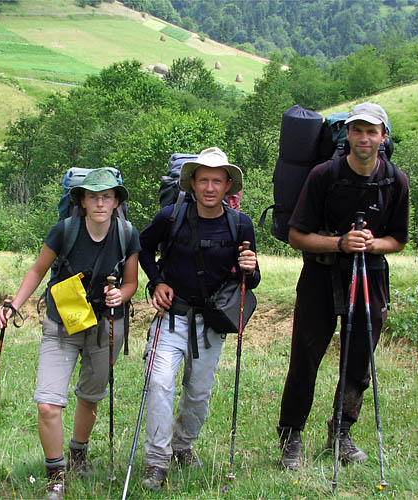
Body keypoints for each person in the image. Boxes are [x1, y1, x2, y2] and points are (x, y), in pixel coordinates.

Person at [277, 102, 410, 470]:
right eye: (358, 130)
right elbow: (296, 235)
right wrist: (339, 243)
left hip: (370, 275)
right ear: (347, 134)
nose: (364, 138)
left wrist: (371, 244)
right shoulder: (323, 175)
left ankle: (341, 433)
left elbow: (398, 239)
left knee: (358, 360)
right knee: (305, 358)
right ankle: (291, 436)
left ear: (384, 136)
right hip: (320, 275)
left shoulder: (395, 181)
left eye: (372, 131)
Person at [0, 168, 140, 500]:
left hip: (106, 325)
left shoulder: (128, 233)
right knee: (48, 404)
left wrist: (123, 295)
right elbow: (37, 270)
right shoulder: (65, 230)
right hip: (62, 321)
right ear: (83, 201)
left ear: (116, 201)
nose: (100, 203)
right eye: (93, 196)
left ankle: (78, 453)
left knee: (90, 397)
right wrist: (13, 304)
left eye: (107, 196)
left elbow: (131, 281)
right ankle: (55, 474)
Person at [138, 147, 259, 490]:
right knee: (159, 384)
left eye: (216, 181)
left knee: (198, 394)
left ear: (227, 186)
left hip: (211, 325)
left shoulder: (240, 224)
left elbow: (251, 277)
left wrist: (252, 268)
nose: (209, 187)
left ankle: (183, 446)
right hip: (171, 318)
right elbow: (142, 248)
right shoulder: (169, 216)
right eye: (203, 180)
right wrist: (156, 281)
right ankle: (156, 462)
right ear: (192, 183)